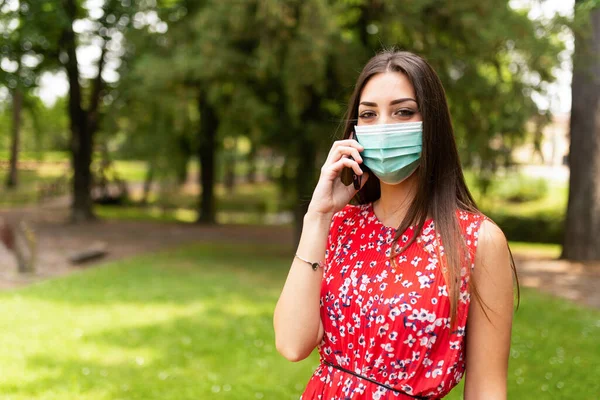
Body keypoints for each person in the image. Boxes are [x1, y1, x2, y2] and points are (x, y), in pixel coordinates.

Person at [273, 50, 518, 399]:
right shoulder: (340, 226)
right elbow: (292, 343)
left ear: (431, 123)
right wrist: (318, 216)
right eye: (368, 114)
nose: (384, 127)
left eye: (403, 111)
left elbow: (487, 387)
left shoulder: (477, 240)